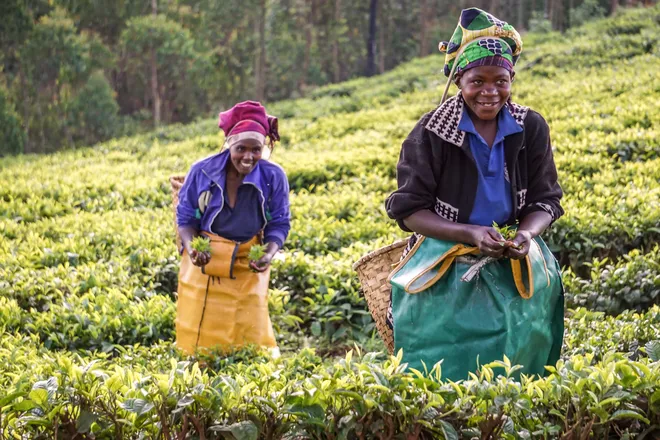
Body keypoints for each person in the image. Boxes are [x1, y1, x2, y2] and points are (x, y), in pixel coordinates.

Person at [385, 8, 564, 380]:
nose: (489, 92)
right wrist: (469, 233)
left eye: (500, 80)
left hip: (514, 252)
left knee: (522, 348)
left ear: (511, 78)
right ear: (459, 81)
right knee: (448, 352)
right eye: (476, 81)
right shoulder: (432, 132)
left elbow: (546, 200)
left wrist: (527, 234)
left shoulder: (530, 126)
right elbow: (408, 210)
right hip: (445, 255)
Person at [175, 101, 291, 356]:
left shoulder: (274, 176)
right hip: (205, 263)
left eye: (256, 150)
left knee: (249, 338)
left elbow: (280, 222)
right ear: (229, 144)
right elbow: (185, 218)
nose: (248, 157)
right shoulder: (202, 171)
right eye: (241, 149)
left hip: (247, 265)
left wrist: (269, 253)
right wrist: (193, 247)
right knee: (199, 343)